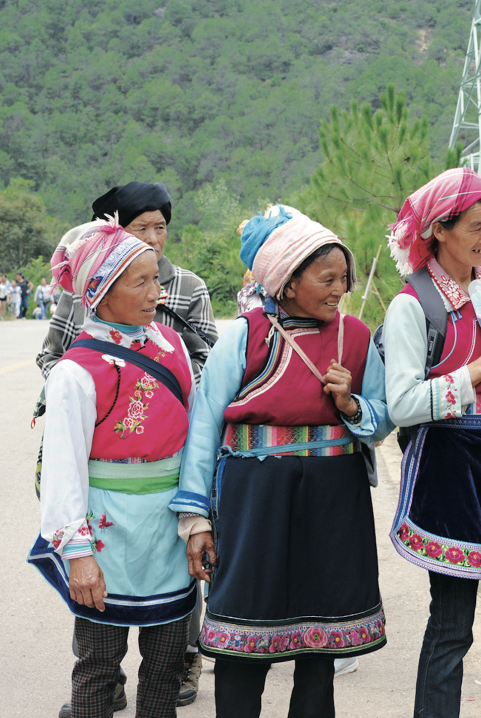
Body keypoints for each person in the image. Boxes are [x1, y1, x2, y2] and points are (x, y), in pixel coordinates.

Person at [173, 204, 392, 718]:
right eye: (327, 278)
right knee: (244, 635)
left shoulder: (355, 337)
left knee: (319, 645)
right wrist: (196, 519)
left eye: (345, 278)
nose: (341, 289)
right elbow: (205, 425)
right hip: (256, 496)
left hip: (334, 498)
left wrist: (352, 406)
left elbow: (383, 420)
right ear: (287, 282)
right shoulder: (246, 335)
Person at [35, 182, 217, 717]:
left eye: (155, 280)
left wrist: (196, 522)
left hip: (168, 530)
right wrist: (79, 555)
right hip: (105, 535)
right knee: (96, 670)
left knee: (163, 671)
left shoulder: (172, 346)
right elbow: (66, 471)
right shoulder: (75, 371)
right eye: (140, 283)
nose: (155, 292)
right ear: (101, 292)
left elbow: (193, 440)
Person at [382, 167, 481, 718]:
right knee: (451, 627)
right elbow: (402, 404)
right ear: (439, 230)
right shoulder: (413, 305)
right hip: (453, 473)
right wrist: (475, 373)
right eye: (475, 226)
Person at [38, 182, 218, 383]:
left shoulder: (190, 287)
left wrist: (152, 389)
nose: (152, 238)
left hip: (170, 410)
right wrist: (77, 389)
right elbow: (51, 355)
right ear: (117, 234)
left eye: (160, 228)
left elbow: (208, 360)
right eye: (141, 228)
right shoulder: (85, 287)